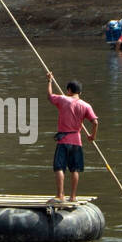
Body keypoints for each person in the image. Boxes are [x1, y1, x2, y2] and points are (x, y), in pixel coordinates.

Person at [46, 72, 97, 203]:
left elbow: (50, 96)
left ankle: (60, 196)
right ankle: (73, 197)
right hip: (77, 141)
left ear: (69, 90)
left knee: (59, 167)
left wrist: (50, 81)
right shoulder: (86, 105)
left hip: (63, 140)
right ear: (79, 91)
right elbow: (95, 122)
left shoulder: (63, 99)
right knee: (75, 169)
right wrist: (92, 136)